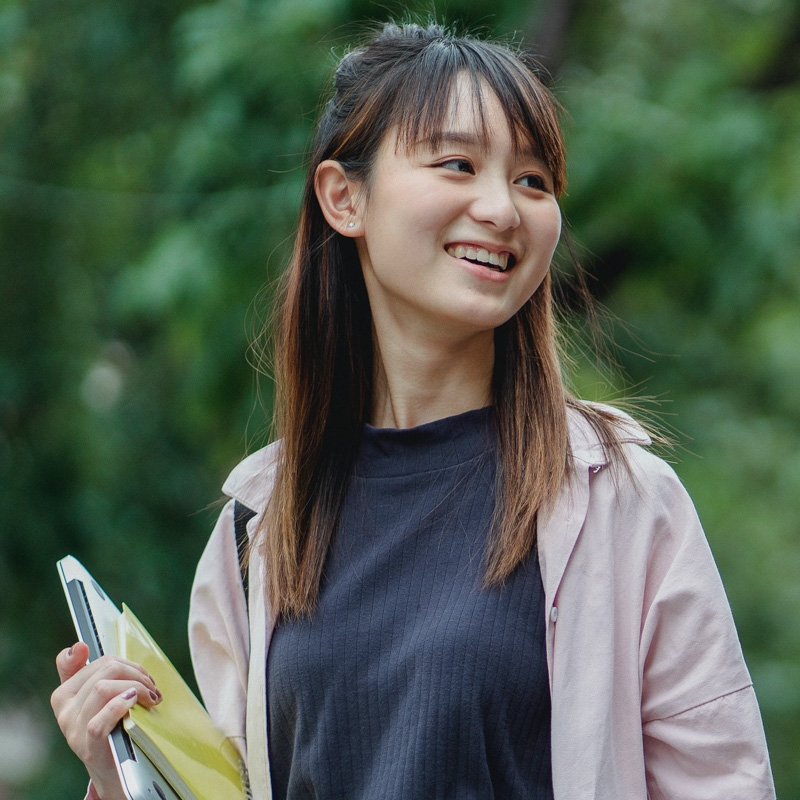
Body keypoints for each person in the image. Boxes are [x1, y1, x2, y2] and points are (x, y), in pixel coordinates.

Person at [52, 21, 776, 800]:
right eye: (457, 164)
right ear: (344, 198)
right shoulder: (258, 533)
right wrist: (122, 777)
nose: (503, 208)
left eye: (534, 181)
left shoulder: (618, 499)